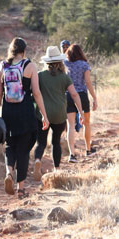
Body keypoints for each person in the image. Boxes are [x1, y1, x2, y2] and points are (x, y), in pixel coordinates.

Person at [0, 38, 49, 198]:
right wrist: (44, 115)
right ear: (24, 51)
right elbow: (37, 93)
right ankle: (21, 188)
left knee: (10, 146)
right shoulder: (30, 66)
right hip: (25, 112)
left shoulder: (2, 66)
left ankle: (9, 172)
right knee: (23, 150)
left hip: (8, 112)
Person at [33, 46, 84, 179]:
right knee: (56, 142)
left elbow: (34, 94)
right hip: (60, 114)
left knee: (41, 142)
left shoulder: (40, 76)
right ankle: (56, 170)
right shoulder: (64, 77)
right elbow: (74, 94)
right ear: (60, 62)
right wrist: (81, 112)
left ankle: (38, 159)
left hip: (43, 114)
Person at [65, 43, 98, 162]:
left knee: (70, 125)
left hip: (68, 95)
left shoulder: (65, 64)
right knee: (86, 123)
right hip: (82, 95)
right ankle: (88, 150)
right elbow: (88, 83)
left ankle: (72, 154)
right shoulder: (84, 65)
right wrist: (94, 98)